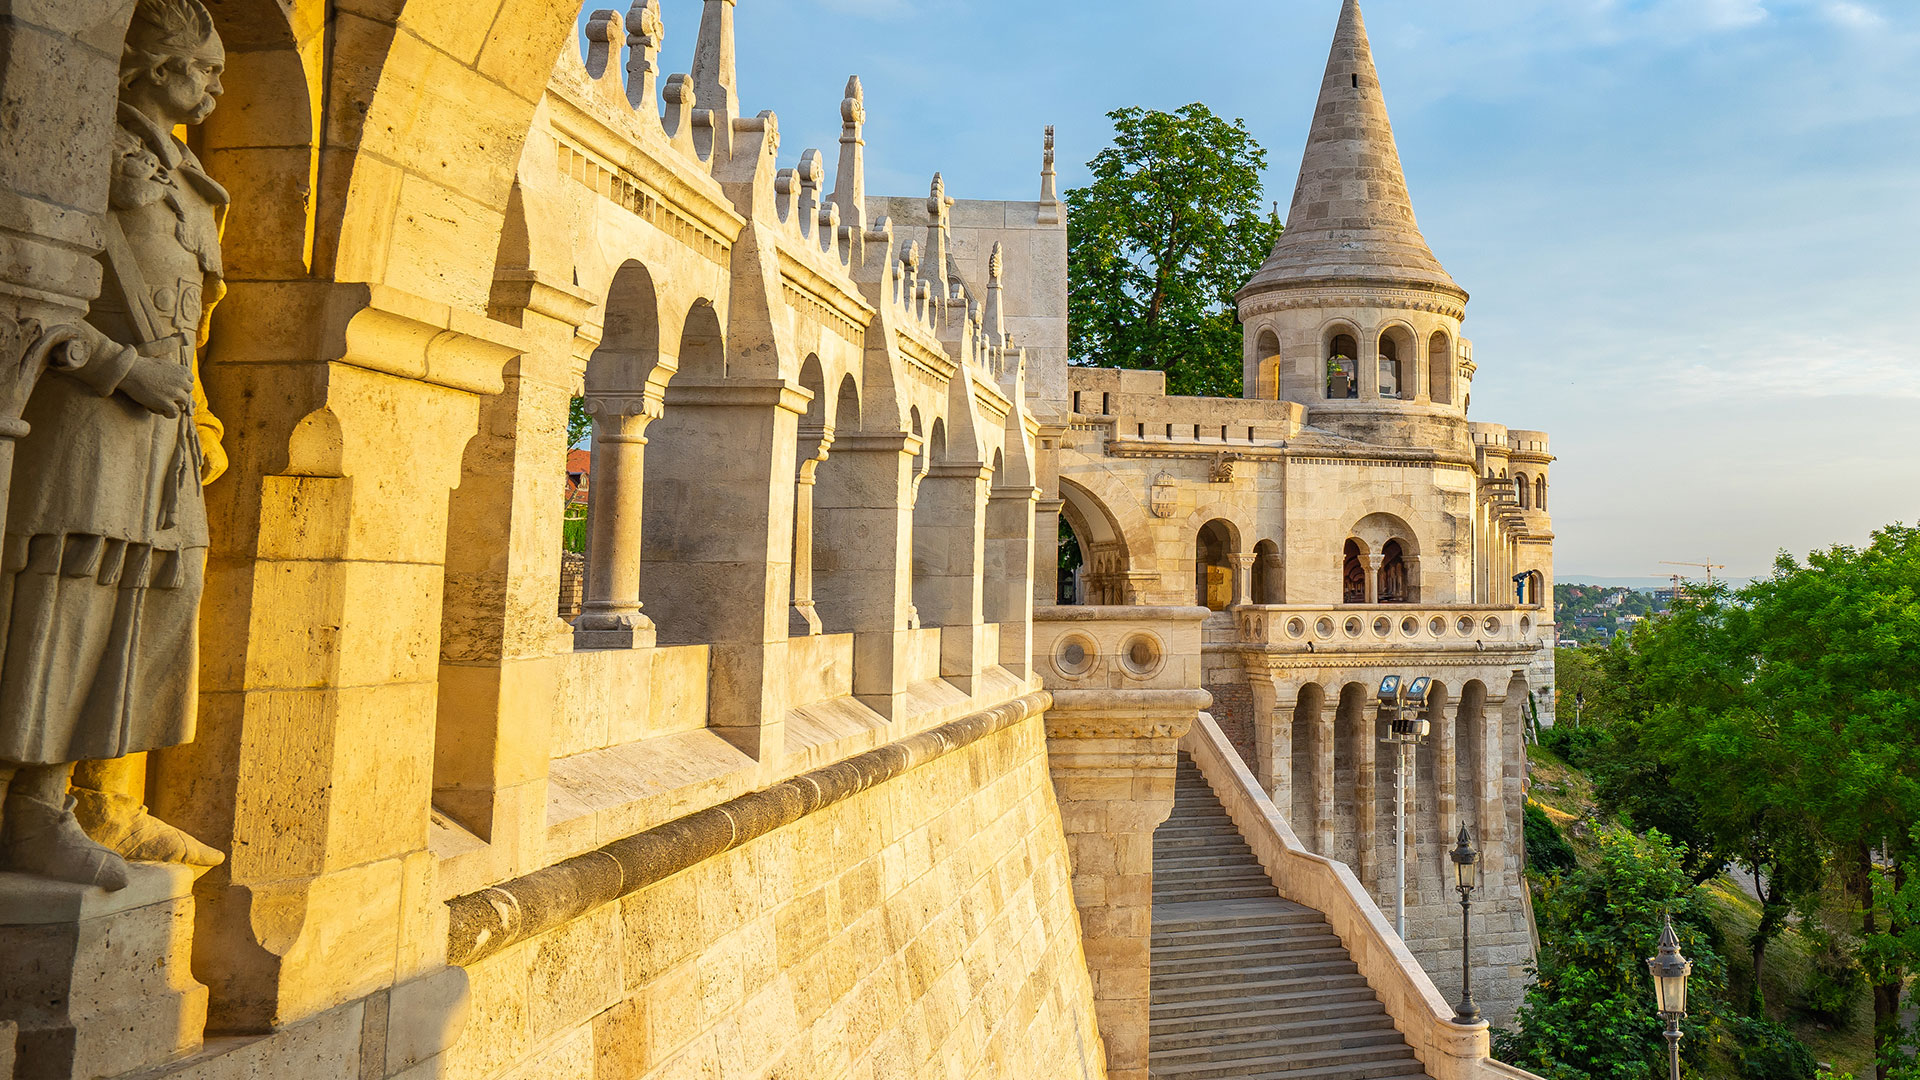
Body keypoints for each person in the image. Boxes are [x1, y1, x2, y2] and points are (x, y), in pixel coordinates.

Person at [0, 0, 229, 889]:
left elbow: (189, 333)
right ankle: (31, 808)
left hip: (164, 437)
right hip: (88, 423)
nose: (215, 85)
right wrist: (122, 372)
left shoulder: (190, 185)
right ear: (146, 67)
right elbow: (39, 297)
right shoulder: (87, 149)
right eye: (199, 69)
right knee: (72, 596)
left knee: (153, 597)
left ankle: (106, 797)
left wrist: (199, 413)